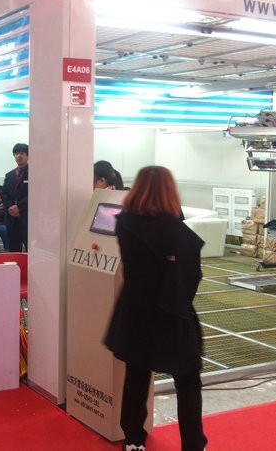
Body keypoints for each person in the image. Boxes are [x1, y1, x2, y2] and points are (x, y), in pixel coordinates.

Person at [104, 166, 207, 451]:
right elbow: (191, 276)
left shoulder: (124, 223)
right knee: (188, 380)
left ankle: (133, 439)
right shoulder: (176, 231)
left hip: (135, 311)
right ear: (169, 191)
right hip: (171, 312)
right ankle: (193, 444)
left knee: (136, 376)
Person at [1, 143, 29, 252]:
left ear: (28, 155)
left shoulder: (35, 173)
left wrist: (19, 207)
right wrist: (10, 207)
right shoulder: (9, 175)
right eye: (16, 154)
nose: (18, 156)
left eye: (21, 153)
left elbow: (35, 194)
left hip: (27, 217)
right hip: (11, 217)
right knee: (14, 249)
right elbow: (3, 193)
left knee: (31, 249)